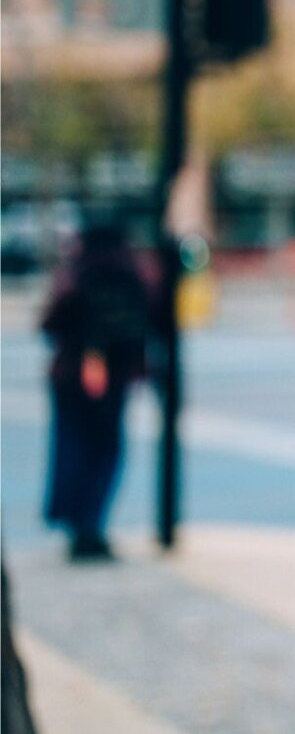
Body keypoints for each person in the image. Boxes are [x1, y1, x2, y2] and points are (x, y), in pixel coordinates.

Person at [40, 217, 152, 563]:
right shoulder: (132, 275)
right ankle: (91, 525)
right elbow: (148, 322)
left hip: (70, 378)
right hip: (113, 379)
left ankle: (79, 525)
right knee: (104, 452)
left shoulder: (77, 274)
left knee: (74, 448)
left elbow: (50, 323)